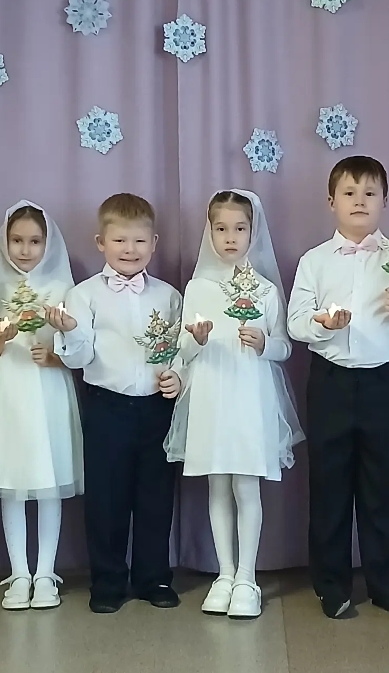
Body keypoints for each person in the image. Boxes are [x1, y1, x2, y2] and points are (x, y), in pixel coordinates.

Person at [287, 156, 389, 621]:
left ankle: (388, 587)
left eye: (370, 193)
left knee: (384, 486)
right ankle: (331, 586)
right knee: (329, 485)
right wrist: (324, 324)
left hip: (384, 382)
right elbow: (295, 323)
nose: (360, 201)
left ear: (384, 201)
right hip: (330, 381)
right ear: (331, 201)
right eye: (350, 193)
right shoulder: (314, 261)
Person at [161, 189, 304, 619]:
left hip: (249, 395)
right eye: (221, 228)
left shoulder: (264, 290)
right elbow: (183, 349)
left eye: (239, 228)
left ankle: (247, 577)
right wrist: (197, 339)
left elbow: (284, 347)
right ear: (210, 232)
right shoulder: (198, 288)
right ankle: (224, 574)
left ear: (252, 232)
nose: (230, 237)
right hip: (210, 393)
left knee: (246, 485)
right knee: (217, 484)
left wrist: (263, 343)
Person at [48, 193, 182, 614]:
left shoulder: (169, 296)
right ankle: (107, 581)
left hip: (157, 408)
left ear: (154, 243)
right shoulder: (83, 295)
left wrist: (177, 374)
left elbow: (181, 348)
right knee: (106, 499)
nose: (130, 249)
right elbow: (79, 358)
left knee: (156, 497)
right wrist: (70, 330)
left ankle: (153, 577)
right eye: (120, 240)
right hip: (106, 408)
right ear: (101, 242)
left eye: (139, 241)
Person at [0, 200, 83, 610]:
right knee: (13, 483)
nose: (24, 249)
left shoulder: (63, 290)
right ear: (5, 243)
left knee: (49, 481)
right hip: (7, 394)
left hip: (49, 391)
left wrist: (55, 356)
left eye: (34, 241)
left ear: (47, 244)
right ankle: (19, 573)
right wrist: (2, 337)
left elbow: (78, 351)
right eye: (17, 240)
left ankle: (46, 573)